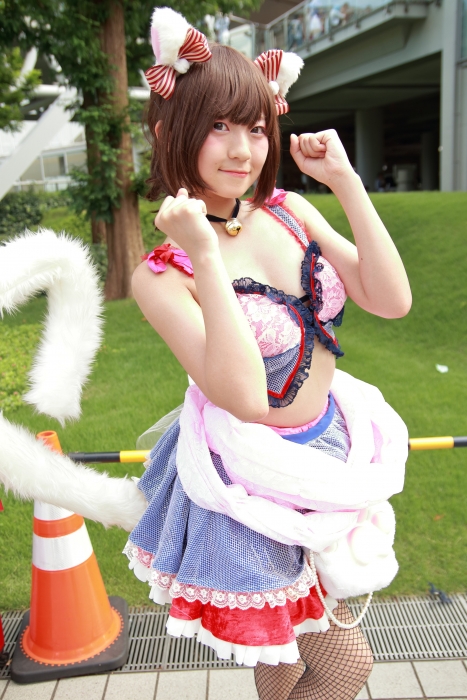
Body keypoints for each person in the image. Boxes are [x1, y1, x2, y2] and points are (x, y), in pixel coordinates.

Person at [126, 7, 411, 700]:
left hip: (329, 448)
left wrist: (344, 181)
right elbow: (245, 396)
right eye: (218, 126)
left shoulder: (288, 210)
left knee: (284, 660)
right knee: (341, 665)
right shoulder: (162, 274)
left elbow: (389, 298)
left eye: (255, 128)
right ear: (170, 132)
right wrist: (204, 253)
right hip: (249, 481)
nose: (242, 149)